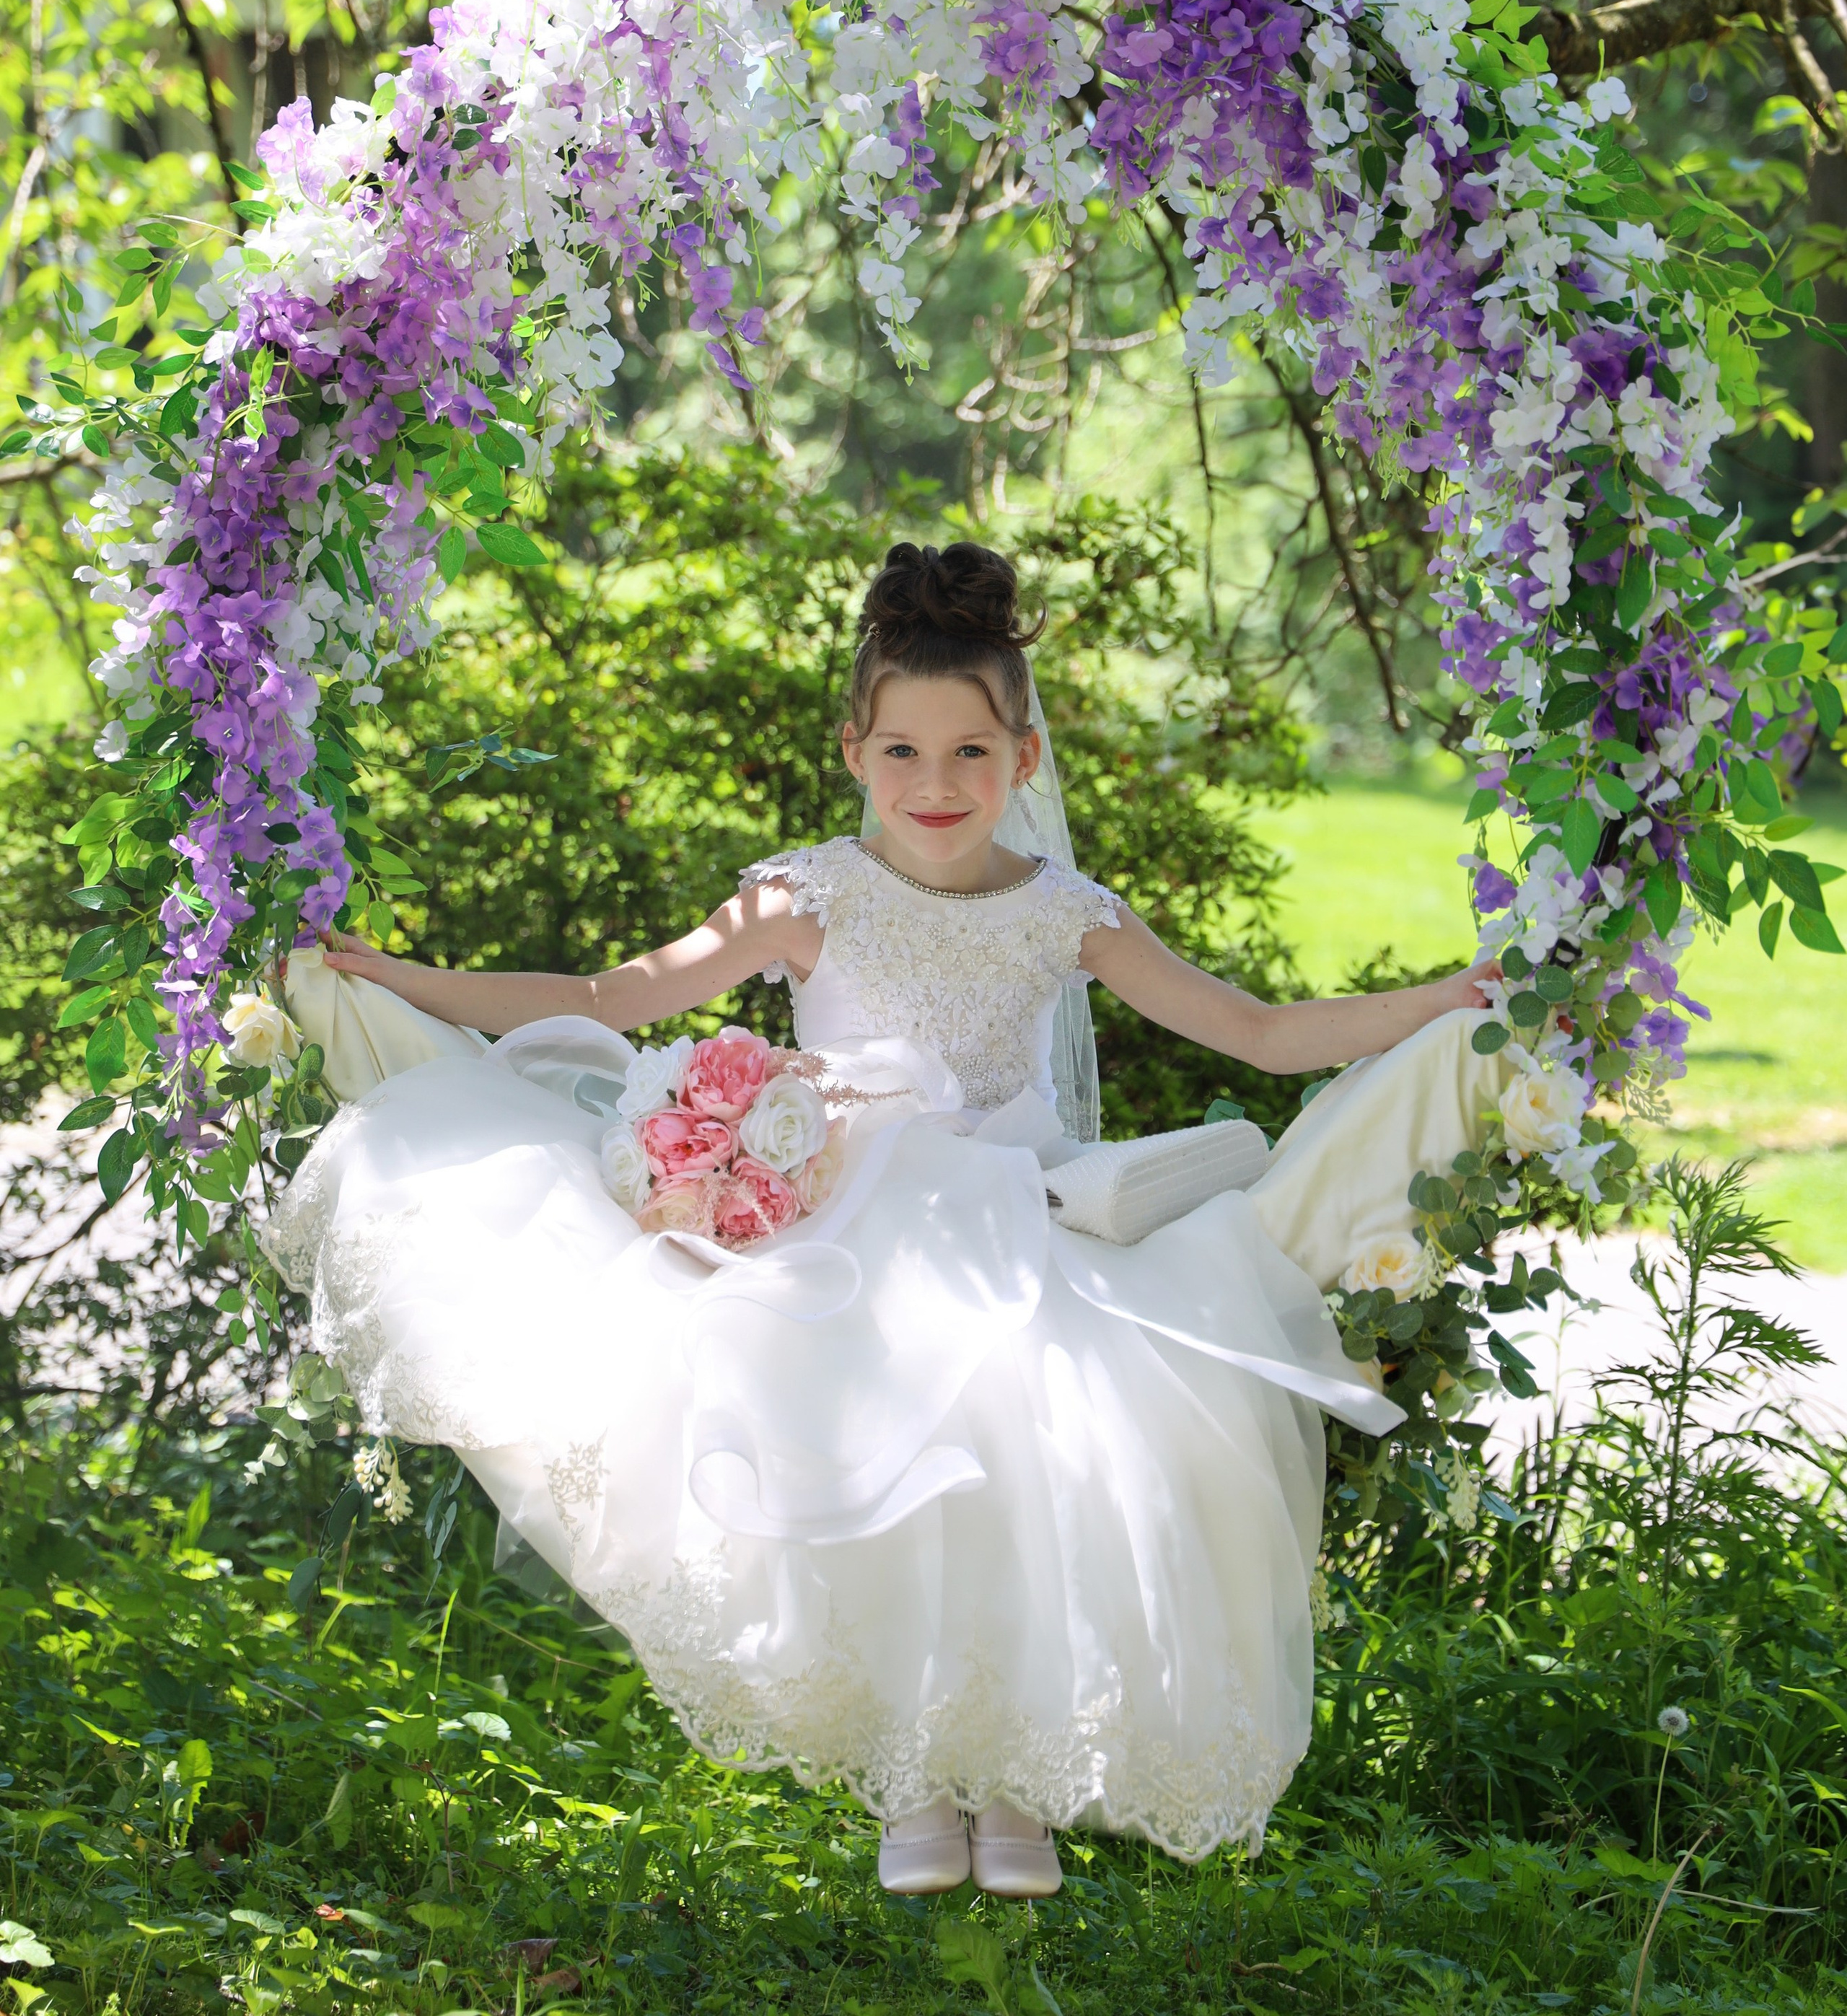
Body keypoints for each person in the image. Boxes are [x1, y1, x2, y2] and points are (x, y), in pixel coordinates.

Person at [268, 542, 1502, 1893]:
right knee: (880, 1481)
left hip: (1019, 1220)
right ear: (855, 750)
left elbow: (1259, 1031)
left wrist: (1441, 1001)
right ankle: (915, 1777)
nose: (936, 784)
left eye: (971, 752)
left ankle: (1016, 1782)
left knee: (1033, 1463)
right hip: (849, 1232)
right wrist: (407, 978)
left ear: (1025, 758)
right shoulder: (806, 898)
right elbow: (613, 994)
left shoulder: (1066, 914)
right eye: (904, 750)